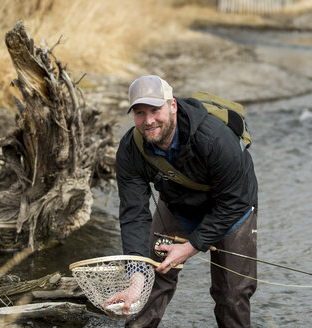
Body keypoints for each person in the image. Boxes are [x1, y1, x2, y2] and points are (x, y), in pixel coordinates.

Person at [109, 75, 258, 327]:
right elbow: (134, 214)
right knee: (150, 280)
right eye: (139, 113)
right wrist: (136, 273)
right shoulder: (131, 149)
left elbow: (236, 202)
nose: (148, 121)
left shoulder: (214, 138)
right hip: (178, 205)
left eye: (155, 110)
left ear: (173, 106)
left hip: (232, 208)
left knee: (231, 294)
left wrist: (191, 245)